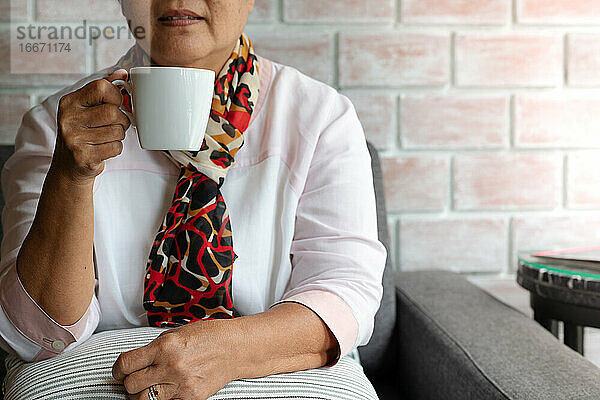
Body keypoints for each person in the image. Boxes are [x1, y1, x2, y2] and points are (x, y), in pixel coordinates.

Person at [0, 0, 386, 399]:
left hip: (272, 363)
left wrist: (228, 350)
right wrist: (71, 174)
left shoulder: (320, 117)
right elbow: (40, 334)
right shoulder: (58, 126)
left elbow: (345, 292)